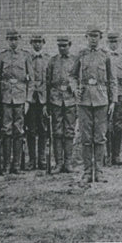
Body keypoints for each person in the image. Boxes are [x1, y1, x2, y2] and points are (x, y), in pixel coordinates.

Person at [71, 27, 115, 183]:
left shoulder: (106, 56)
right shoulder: (81, 55)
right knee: (86, 137)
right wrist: (75, 88)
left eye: (96, 36)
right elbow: (72, 76)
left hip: (101, 100)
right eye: (90, 36)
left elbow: (112, 80)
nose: (93, 39)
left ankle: (99, 171)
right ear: (86, 37)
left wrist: (113, 101)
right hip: (83, 100)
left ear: (100, 38)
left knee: (100, 137)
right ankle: (88, 171)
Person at [0, 29, 32, 175]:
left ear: (19, 39)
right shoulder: (2, 56)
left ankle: (16, 165)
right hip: (6, 98)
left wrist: (28, 100)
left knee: (18, 130)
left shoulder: (25, 56)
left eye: (15, 39)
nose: (13, 42)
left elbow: (31, 80)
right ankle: (6, 164)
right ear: (7, 40)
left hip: (20, 98)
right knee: (6, 130)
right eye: (10, 39)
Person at [46, 36, 78, 173]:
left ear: (69, 45)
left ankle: (68, 163)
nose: (62, 48)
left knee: (69, 131)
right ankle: (59, 163)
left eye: (64, 46)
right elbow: (48, 82)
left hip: (71, 100)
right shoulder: (53, 61)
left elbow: (78, 79)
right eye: (60, 46)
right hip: (56, 100)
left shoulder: (75, 60)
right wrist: (47, 103)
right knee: (57, 131)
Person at [106, 33, 122, 166]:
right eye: (111, 42)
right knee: (105, 125)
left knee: (118, 124)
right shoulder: (104, 56)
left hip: (120, 95)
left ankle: (116, 155)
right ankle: (106, 154)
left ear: (119, 42)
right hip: (105, 95)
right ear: (107, 43)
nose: (113, 44)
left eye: (115, 42)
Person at [26, 34, 50, 170]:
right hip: (30, 100)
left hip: (43, 100)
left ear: (43, 43)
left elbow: (49, 81)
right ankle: (31, 160)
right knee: (30, 129)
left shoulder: (48, 59)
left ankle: (42, 159)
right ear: (31, 43)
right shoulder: (26, 58)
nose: (37, 44)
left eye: (39, 42)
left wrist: (47, 102)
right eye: (34, 42)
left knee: (43, 130)